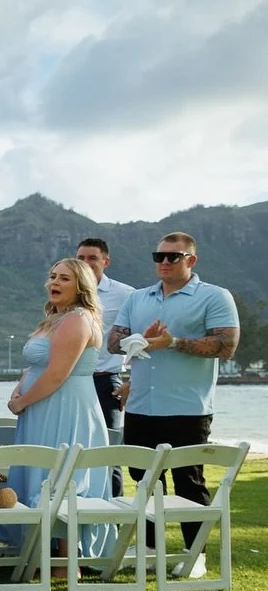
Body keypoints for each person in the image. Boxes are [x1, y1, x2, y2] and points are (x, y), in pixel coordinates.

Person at [107, 232, 239, 567]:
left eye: (173, 257)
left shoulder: (214, 296)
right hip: (139, 407)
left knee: (188, 483)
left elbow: (226, 346)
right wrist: (140, 340)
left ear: (191, 260)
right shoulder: (137, 298)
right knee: (144, 481)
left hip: (187, 407)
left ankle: (197, 556)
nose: (164, 262)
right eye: (159, 256)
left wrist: (173, 342)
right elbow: (113, 342)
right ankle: (151, 548)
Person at [7, 260, 112, 565]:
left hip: (66, 407)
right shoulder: (54, 318)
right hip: (42, 405)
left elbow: (57, 375)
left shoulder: (77, 320)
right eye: (52, 276)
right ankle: (40, 553)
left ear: (81, 286)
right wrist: (19, 388)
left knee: (65, 477)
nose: (54, 282)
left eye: (64, 278)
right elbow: (36, 366)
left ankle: (68, 562)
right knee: (40, 473)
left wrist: (23, 402)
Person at [74, 238, 133, 496]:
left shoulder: (127, 295)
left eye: (92, 258)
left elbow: (141, 342)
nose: (85, 263)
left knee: (109, 455)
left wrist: (135, 381)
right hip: (70, 382)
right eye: (81, 258)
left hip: (106, 382)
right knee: (73, 453)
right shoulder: (64, 290)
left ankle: (114, 529)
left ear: (105, 262)